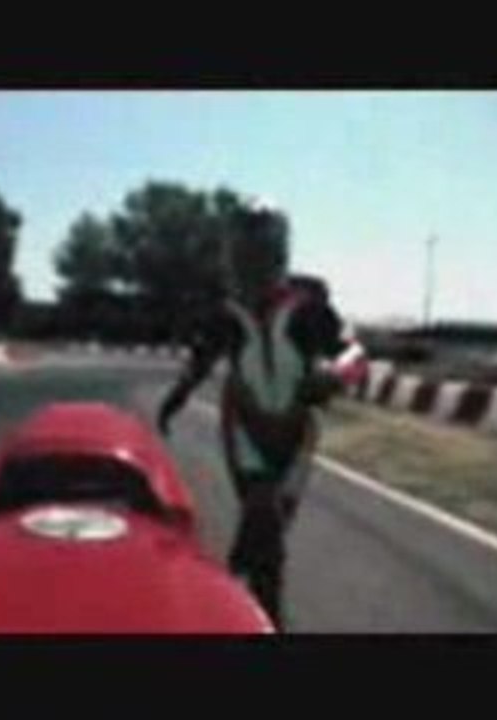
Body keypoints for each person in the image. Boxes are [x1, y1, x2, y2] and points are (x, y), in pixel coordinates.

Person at [157, 198, 365, 628]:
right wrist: (175, 399)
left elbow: (355, 353)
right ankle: (258, 610)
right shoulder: (225, 313)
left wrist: (335, 374)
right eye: (240, 252)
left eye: (256, 253)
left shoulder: (309, 305)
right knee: (262, 514)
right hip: (244, 428)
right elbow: (201, 360)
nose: (246, 264)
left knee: (268, 544)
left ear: (277, 254)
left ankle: (245, 601)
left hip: (297, 432)